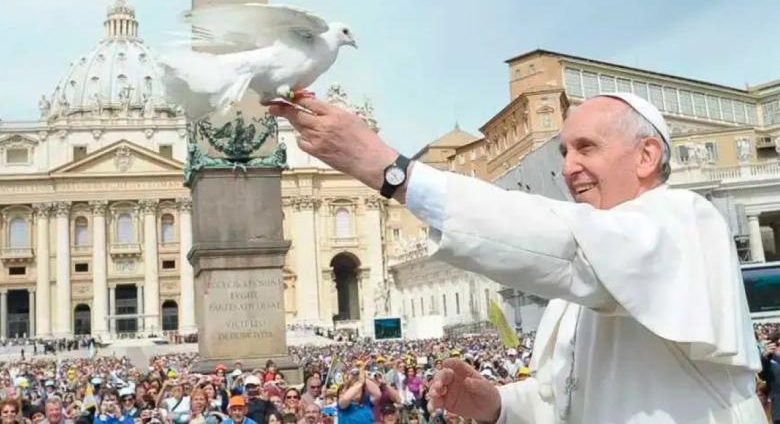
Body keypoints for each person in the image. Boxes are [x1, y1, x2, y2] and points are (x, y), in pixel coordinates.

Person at [271, 92, 765, 423]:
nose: (569, 167)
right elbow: (560, 398)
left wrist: (392, 171)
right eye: (564, 152)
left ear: (646, 156)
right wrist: (498, 403)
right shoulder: (576, 294)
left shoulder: (684, 219)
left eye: (586, 148)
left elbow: (565, 241)